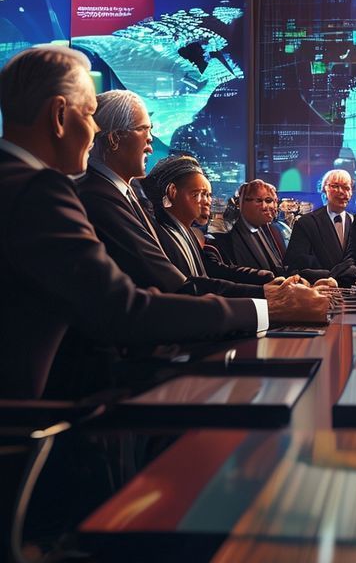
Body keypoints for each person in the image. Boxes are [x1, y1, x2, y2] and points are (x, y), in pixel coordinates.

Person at [0, 46, 327, 399]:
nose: (94, 130)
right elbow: (122, 310)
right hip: (49, 411)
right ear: (59, 115)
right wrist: (270, 307)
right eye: (90, 114)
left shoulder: (23, 183)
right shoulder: (41, 191)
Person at [78, 90, 267, 298]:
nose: (151, 141)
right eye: (143, 129)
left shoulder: (128, 196)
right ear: (114, 138)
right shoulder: (100, 198)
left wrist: (265, 291)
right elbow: (170, 284)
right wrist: (266, 298)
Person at [141, 155, 273, 287]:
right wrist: (262, 290)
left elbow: (212, 270)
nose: (208, 201)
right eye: (199, 194)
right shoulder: (161, 236)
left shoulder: (184, 231)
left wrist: (263, 278)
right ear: (172, 192)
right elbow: (190, 287)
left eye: (209, 195)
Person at [283, 169, 356, 285]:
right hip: (318, 290)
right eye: (335, 186)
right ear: (324, 189)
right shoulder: (306, 223)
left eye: (346, 188)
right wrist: (331, 275)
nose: (341, 192)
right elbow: (295, 266)